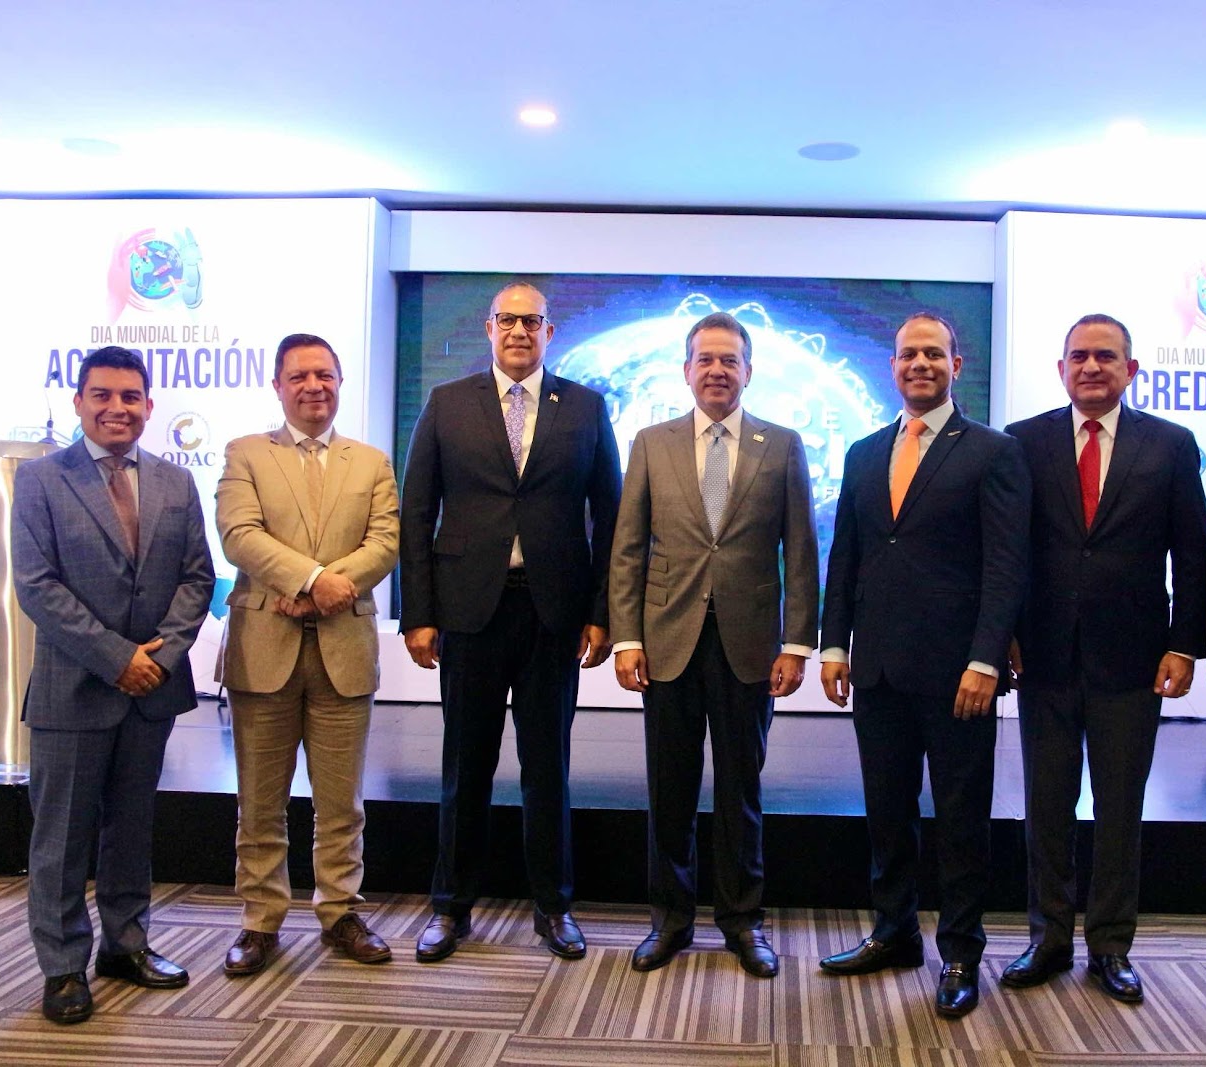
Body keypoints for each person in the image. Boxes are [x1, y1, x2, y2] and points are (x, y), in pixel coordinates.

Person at [816, 312, 1030, 1018]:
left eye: (933, 354)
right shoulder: (864, 451)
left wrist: (986, 658)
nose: (920, 364)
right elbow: (846, 555)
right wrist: (835, 644)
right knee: (888, 813)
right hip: (877, 669)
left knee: (962, 818)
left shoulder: (992, 452)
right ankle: (894, 932)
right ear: (893, 365)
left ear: (955, 365)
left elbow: (1006, 566)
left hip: (958, 674)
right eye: (908, 354)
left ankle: (961, 951)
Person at [400, 282, 620, 962]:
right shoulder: (447, 403)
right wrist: (418, 614)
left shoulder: (584, 406)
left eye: (532, 321)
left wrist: (602, 613)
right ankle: (450, 907)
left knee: (547, 768)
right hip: (468, 612)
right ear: (489, 329)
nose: (519, 331)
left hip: (553, 612)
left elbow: (611, 516)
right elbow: (417, 512)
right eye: (508, 320)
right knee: (464, 767)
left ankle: (553, 906)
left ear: (550, 332)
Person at [1001, 314, 1206, 1003]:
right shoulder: (1023, 441)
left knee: (1120, 808)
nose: (1092, 367)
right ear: (1061, 369)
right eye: (1079, 356)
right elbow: (1007, 549)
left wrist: (1184, 644)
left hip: (1134, 658)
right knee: (1047, 805)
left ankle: (1112, 945)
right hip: (1043, 656)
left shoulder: (1171, 444)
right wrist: (1003, 633)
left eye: (1106, 356)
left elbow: (1194, 553)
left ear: (1131, 369)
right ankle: (1048, 937)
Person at [610, 311, 818, 978]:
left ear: (749, 371)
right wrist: (627, 637)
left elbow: (801, 551)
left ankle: (742, 920)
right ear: (686, 370)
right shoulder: (651, 442)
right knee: (669, 791)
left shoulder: (781, 445)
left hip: (750, 644)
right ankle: (669, 920)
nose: (718, 371)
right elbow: (628, 548)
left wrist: (797, 643)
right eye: (706, 359)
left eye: (730, 360)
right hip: (666, 642)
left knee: (739, 791)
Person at [11, 345, 215, 1024]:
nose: (116, 408)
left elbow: (198, 578)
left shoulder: (175, 482)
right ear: (79, 402)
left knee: (131, 830)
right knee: (62, 839)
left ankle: (125, 945)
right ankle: (63, 967)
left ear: (149, 406)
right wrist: (116, 657)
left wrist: (161, 654)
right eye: (101, 394)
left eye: (130, 396)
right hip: (74, 689)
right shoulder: (40, 479)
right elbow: (37, 586)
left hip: (151, 690)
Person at [215, 333, 400, 974]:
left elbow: (385, 541)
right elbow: (239, 535)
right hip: (263, 648)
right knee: (260, 803)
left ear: (340, 382)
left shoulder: (371, 461)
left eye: (324, 375)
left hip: (344, 651)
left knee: (341, 804)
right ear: (278, 386)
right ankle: (260, 921)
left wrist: (325, 590)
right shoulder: (245, 453)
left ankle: (340, 911)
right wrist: (312, 581)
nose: (313, 386)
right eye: (299, 376)